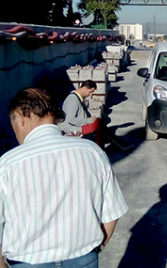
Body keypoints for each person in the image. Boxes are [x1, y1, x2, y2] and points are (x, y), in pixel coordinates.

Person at [0, 88, 128, 266]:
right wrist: (93, 250)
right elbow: (112, 212)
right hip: (83, 259)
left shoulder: (7, 165)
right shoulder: (92, 152)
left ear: (21, 119)